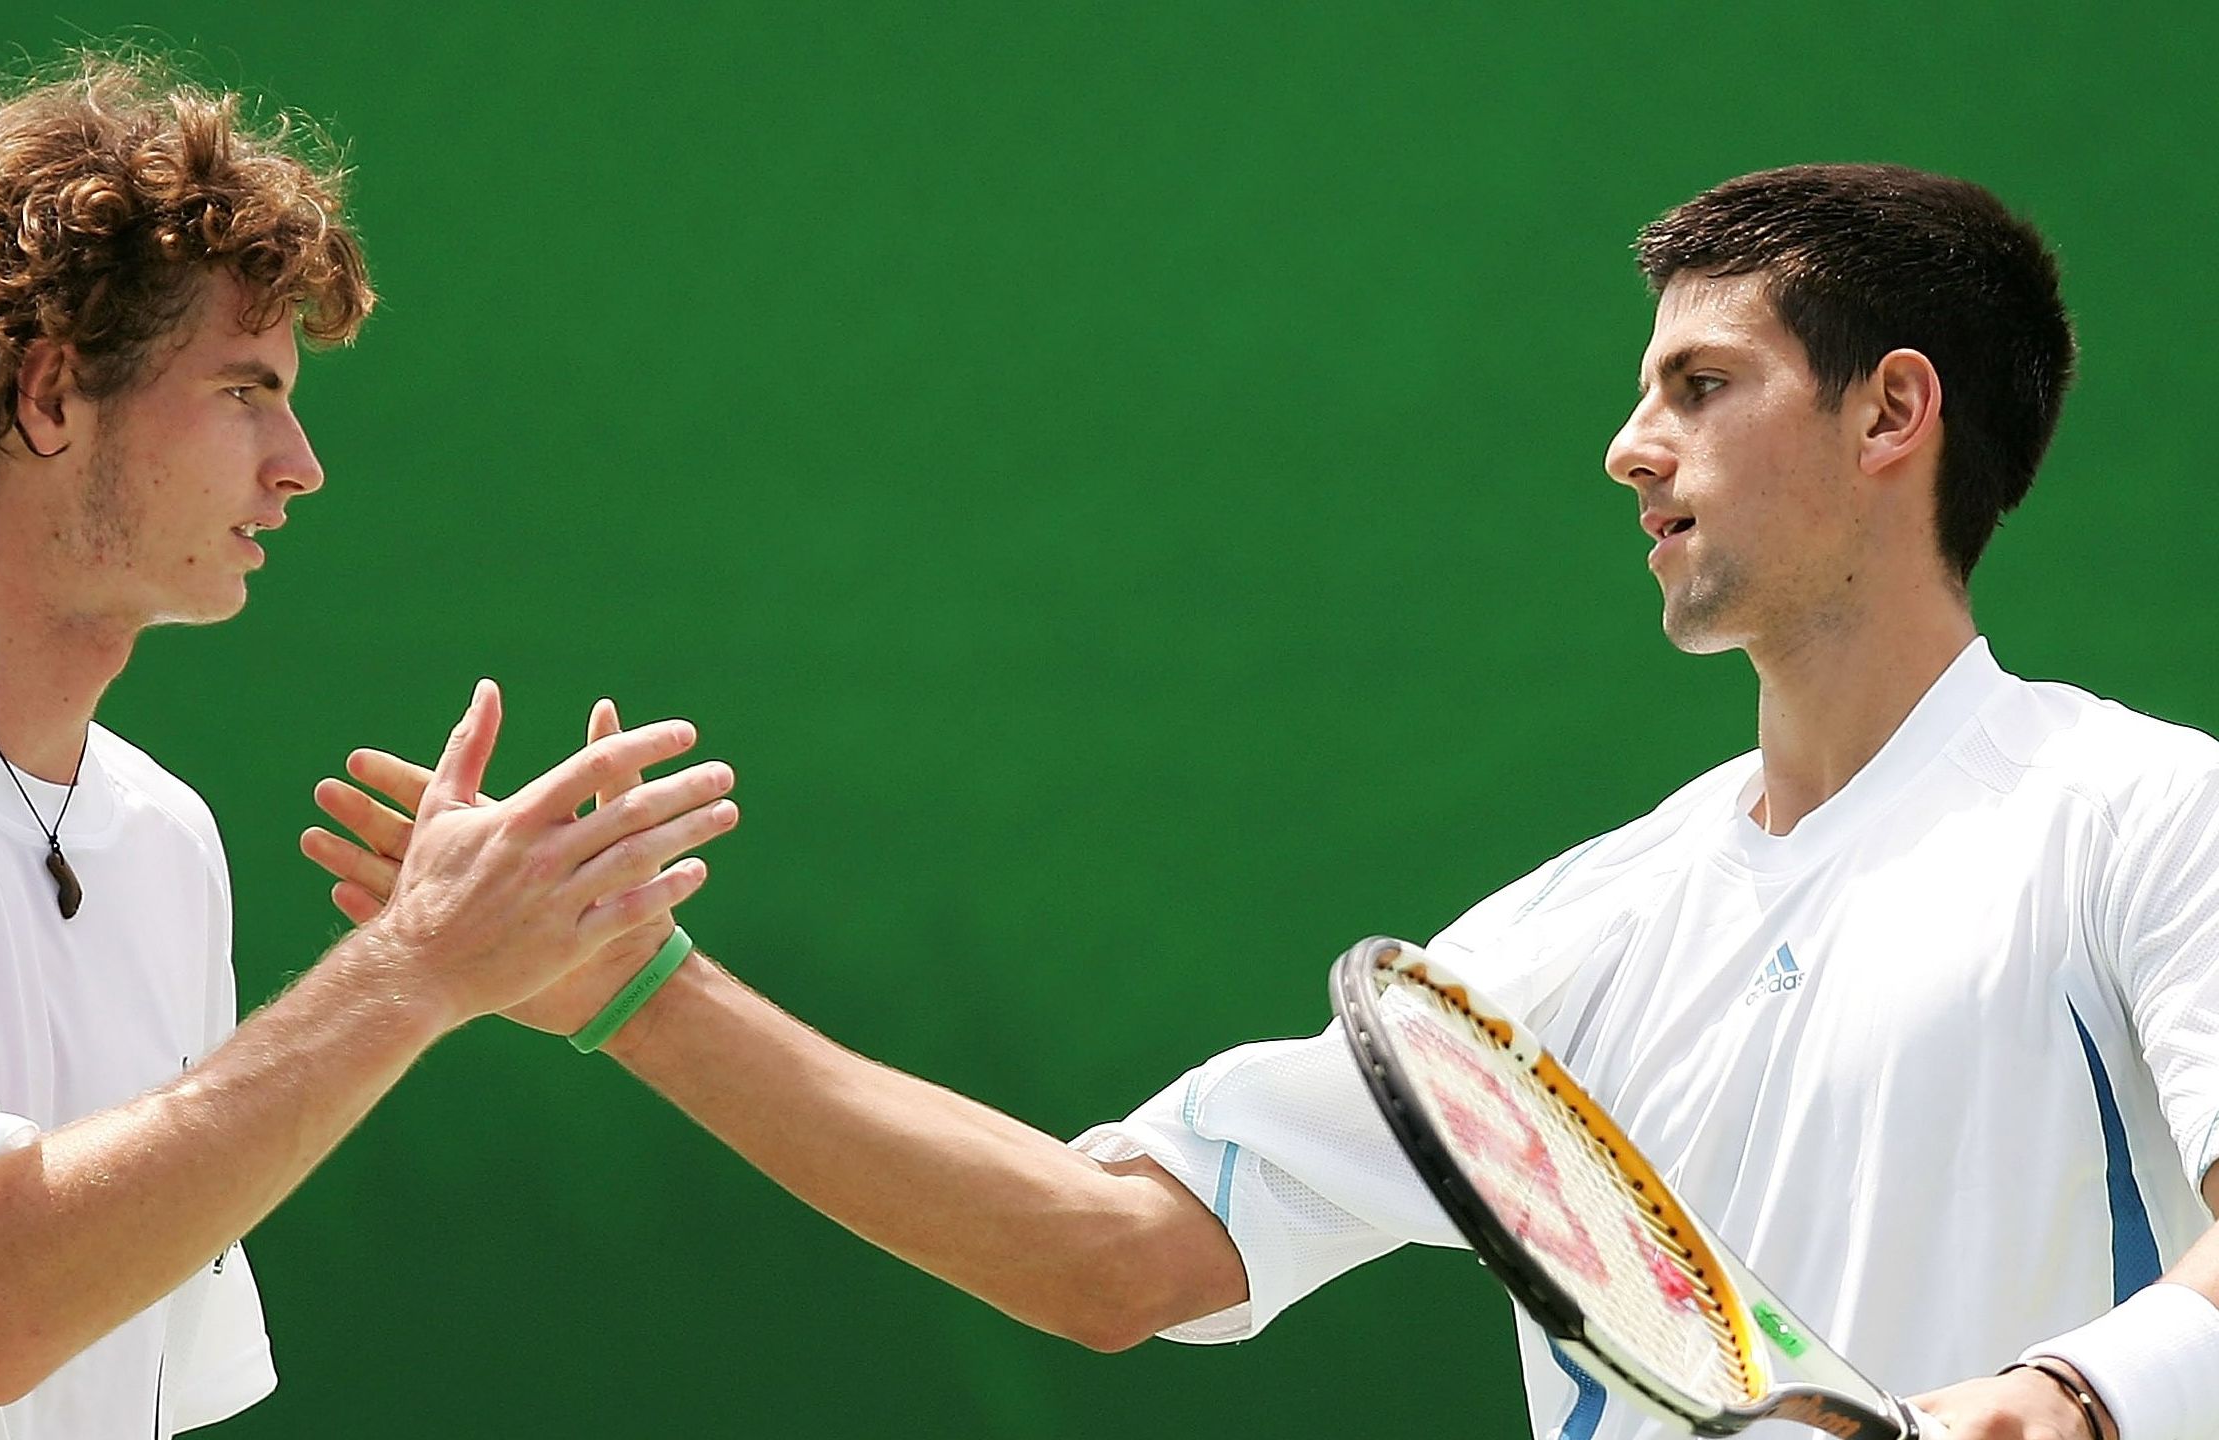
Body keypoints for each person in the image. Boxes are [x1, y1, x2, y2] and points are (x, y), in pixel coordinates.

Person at [312, 164, 2219, 1440]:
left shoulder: (2142, 815)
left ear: (1897, 416)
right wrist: (639, 998)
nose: (1629, 446)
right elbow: (1109, 1253)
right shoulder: (1567, 943)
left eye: (1703, 385)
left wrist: (2068, 1397)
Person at [0, 56, 740, 1437]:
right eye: (242, 391)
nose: (299, 462)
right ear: (50, 397)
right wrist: (413, 970)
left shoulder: (164, 837)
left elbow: (132, 1385)